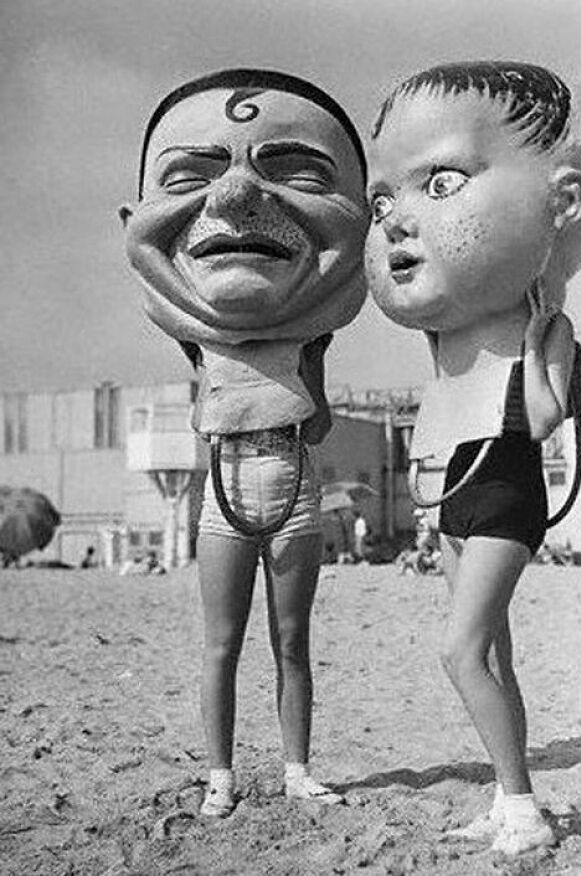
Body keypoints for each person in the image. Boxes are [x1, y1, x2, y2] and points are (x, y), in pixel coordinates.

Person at [364, 62, 581, 855]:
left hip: (504, 484)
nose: (397, 220)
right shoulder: (443, 333)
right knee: (494, 655)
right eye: (383, 202)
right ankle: (511, 797)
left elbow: (542, 421)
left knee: (462, 649)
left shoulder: (543, 325)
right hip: (449, 490)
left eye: (438, 184)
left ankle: (521, 807)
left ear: (563, 200)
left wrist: (552, 357)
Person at [120, 69, 368, 817]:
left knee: (292, 641)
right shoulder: (198, 344)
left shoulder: (311, 338)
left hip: (293, 479)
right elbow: (173, 304)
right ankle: (221, 777)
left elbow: (319, 417)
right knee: (221, 644)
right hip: (224, 488)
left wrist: (297, 372)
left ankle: (297, 769)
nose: (234, 195)